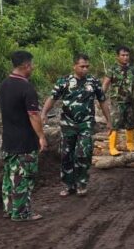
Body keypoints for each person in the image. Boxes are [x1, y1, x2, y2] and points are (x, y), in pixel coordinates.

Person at [41, 54, 110, 197]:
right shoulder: (64, 81)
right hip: (68, 124)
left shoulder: (93, 82)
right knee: (67, 154)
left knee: (83, 153)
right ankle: (68, 185)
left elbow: (102, 101)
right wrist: (44, 113)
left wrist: (109, 120)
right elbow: (52, 98)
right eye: (82, 66)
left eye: (87, 66)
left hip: (86, 123)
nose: (85, 69)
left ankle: (82, 183)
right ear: (74, 66)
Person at [0, 51, 48, 222]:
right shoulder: (26, 87)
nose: (33, 68)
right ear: (26, 66)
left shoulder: (4, 85)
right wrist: (41, 136)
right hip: (24, 142)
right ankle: (21, 212)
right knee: (23, 177)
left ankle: (9, 209)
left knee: (9, 176)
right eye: (31, 65)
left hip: (8, 140)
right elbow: (33, 115)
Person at [102, 46, 134, 156]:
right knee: (115, 123)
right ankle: (112, 147)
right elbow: (106, 83)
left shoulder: (133, 69)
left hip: (130, 101)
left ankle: (130, 144)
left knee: (130, 122)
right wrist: (101, 96)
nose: (125, 57)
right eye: (123, 55)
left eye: (127, 55)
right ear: (117, 57)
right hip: (116, 102)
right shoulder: (112, 69)